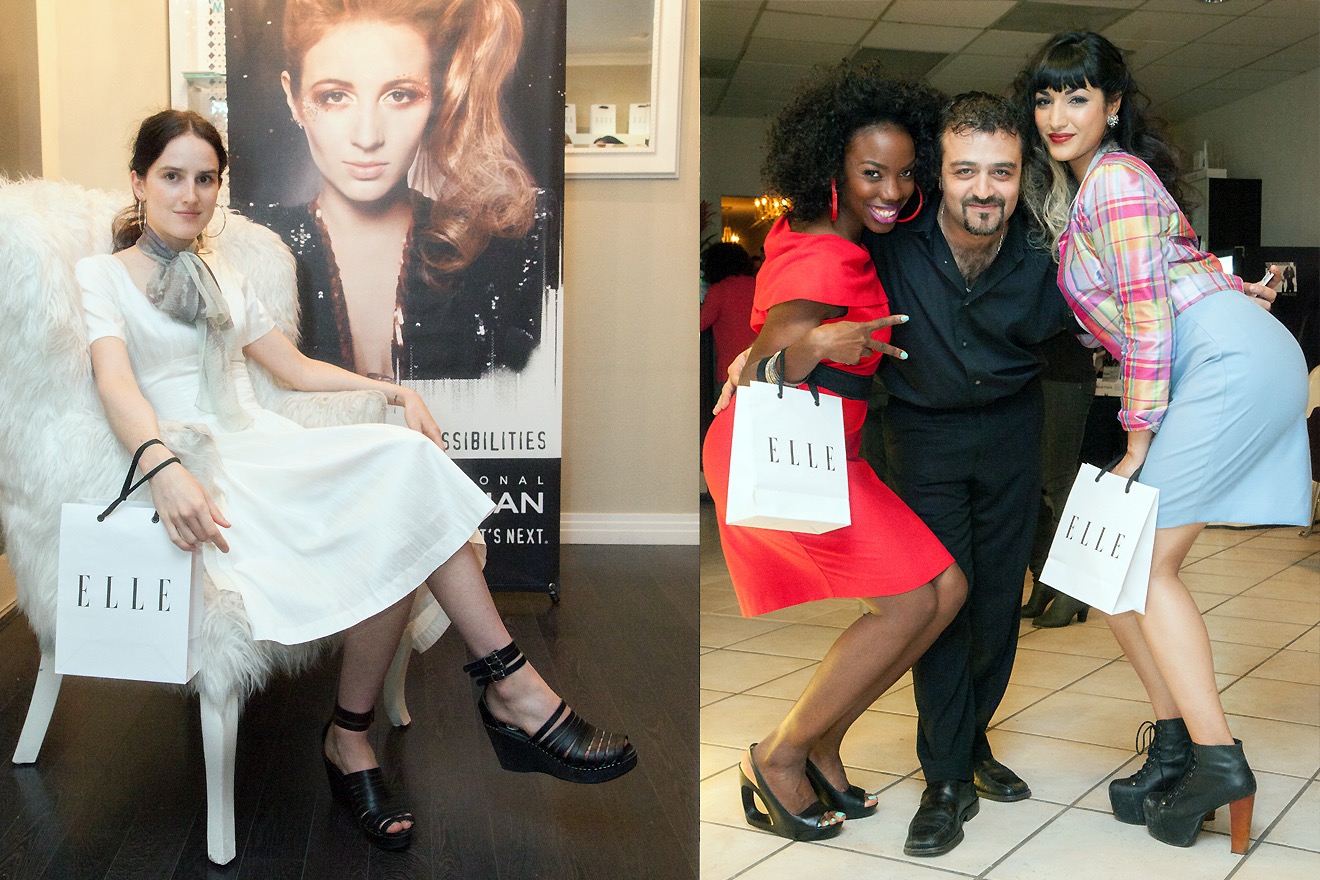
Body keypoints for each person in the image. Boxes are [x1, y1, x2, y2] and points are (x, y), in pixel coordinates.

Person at [80, 109, 634, 852]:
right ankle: (480, 701)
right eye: (172, 176)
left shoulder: (223, 274)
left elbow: (292, 368)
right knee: (399, 508)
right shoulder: (103, 277)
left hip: (261, 444)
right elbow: (115, 385)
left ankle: (437, 708)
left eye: (205, 179)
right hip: (196, 464)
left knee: (406, 469)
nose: (190, 194)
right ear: (139, 182)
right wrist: (163, 466)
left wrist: (392, 391)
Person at [1015, 32, 1311, 853]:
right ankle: (1176, 744)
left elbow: (1148, 314)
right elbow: (1173, 272)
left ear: (1113, 106)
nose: (1058, 115)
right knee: (1108, 567)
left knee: (1144, 565)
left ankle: (1217, 762)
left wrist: (1137, 437)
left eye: (1078, 96)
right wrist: (1234, 286)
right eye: (1045, 98)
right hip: (1224, 353)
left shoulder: (1112, 179)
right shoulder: (1090, 189)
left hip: (1223, 365)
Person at [703, 64, 967, 843]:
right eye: (872, 174)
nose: (892, 191)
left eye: (905, 173)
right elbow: (759, 372)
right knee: (912, 602)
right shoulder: (824, 256)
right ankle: (778, 756)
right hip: (786, 451)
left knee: (945, 589)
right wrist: (817, 344)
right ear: (833, 170)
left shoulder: (828, 235)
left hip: (831, 449)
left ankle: (822, 742)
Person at [859, 92, 1074, 857]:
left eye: (1001, 172)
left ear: (1022, 176)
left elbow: (1129, 291)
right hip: (923, 435)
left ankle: (972, 740)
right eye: (965, 171)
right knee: (941, 606)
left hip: (1014, 427)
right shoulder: (893, 242)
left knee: (996, 601)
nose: (984, 189)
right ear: (938, 174)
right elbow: (808, 273)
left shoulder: (1045, 251)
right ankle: (946, 778)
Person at [271, 0, 550, 380]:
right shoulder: (257, 249)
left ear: (436, 98)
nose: (367, 137)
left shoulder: (498, 254)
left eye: (400, 95)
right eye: (334, 96)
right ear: (293, 99)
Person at [699, 242, 757, 404]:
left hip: (730, 370)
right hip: (759, 365)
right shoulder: (758, 284)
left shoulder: (719, 290)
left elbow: (700, 323)